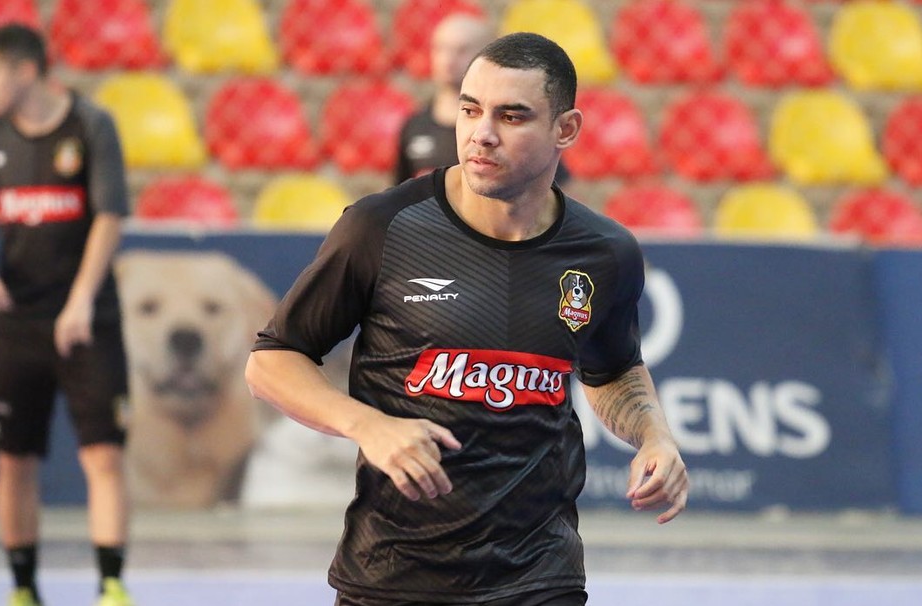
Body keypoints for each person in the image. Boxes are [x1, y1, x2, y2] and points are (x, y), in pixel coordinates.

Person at [246, 32, 688, 606]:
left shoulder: (605, 253)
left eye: (512, 115)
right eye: (470, 108)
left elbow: (613, 371)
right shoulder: (382, 227)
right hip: (392, 575)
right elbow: (271, 362)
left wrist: (655, 436)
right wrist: (367, 425)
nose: (482, 133)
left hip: (540, 575)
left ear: (566, 130)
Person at [0, 25, 134, 606]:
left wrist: (79, 301)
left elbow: (109, 216)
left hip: (87, 320)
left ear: (25, 72)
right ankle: (23, 587)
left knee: (103, 452)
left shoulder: (90, 126)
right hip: (17, 322)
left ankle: (111, 584)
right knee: (15, 457)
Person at [394, 14, 570, 187]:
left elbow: (558, 192)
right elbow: (400, 195)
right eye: (441, 48)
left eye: (461, 50)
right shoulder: (415, 125)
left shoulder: (522, 128)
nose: (448, 60)